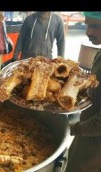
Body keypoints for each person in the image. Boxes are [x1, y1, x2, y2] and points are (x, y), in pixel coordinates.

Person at [65, 11, 101, 172]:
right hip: (86, 132)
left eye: (96, 26)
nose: (88, 32)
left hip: (95, 147)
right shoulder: (99, 53)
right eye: (87, 25)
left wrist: (71, 128)